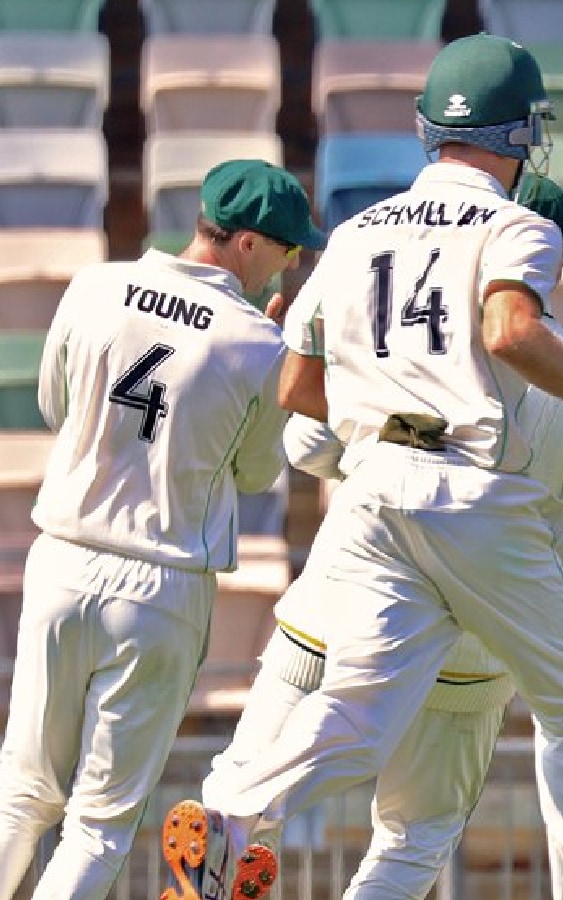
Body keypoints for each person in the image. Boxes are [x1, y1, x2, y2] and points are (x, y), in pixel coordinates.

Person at [167, 34, 563, 900]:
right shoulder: (519, 225)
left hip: (376, 488)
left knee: (361, 713)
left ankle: (229, 813)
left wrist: (377, 416)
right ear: (521, 133)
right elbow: (510, 330)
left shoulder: (354, 233)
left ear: (429, 127)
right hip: (470, 489)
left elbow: (296, 388)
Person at [202, 175, 563, 900]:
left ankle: (226, 825)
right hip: (472, 662)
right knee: (413, 840)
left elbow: (305, 446)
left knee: (244, 795)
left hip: (335, 611)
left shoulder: (396, 342)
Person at [0, 159, 323, 900]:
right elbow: (254, 474)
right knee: (99, 824)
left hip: (63, 556)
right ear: (246, 243)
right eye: (285, 249)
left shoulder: (94, 285)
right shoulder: (258, 343)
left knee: (21, 791)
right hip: (162, 580)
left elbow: (54, 406)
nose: (289, 265)